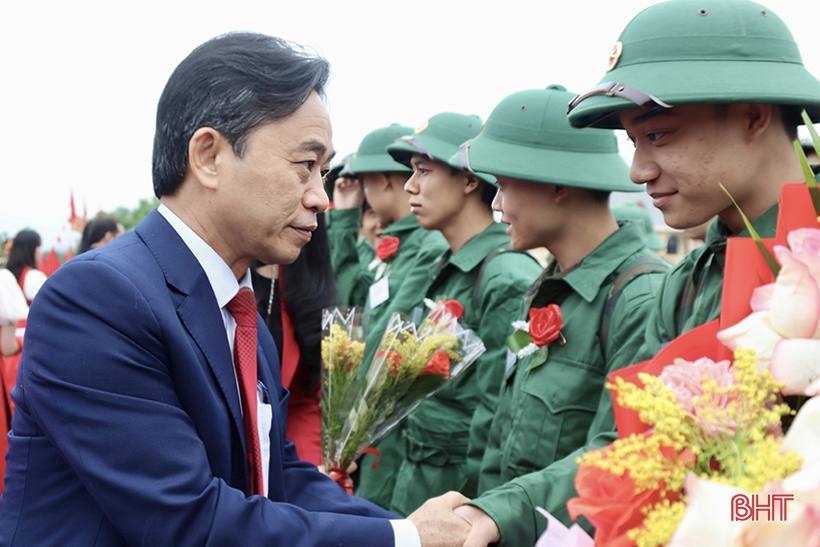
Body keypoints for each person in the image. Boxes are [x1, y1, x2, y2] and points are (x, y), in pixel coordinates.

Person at [0, 32, 470, 547]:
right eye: (305, 166)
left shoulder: (239, 310)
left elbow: (278, 476)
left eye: (324, 172)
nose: (321, 198)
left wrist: (415, 530)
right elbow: (188, 520)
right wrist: (406, 538)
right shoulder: (97, 300)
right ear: (208, 156)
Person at [448, 85, 668, 547]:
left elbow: (621, 453)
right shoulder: (545, 288)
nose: (496, 203)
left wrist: (500, 513)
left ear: (556, 184)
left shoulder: (639, 299)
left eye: (504, 184)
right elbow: (500, 430)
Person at [566, 0, 820, 364]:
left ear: (752, 118)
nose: (637, 172)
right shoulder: (683, 284)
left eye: (657, 135)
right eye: (634, 142)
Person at [379, 112, 542, 515]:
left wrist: (480, 511)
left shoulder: (505, 277)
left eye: (423, 171)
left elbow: (498, 416)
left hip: (458, 497)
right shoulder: (447, 265)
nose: (410, 186)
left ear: (470, 180)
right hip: (417, 481)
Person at [250, 212, 335, 466]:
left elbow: (300, 400)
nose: (316, 200)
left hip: (281, 456)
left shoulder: (303, 288)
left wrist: (315, 469)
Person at [6, 229, 46, 304]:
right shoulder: (34, 276)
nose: (41, 251)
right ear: (31, 249)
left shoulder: (8, 274)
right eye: (39, 246)